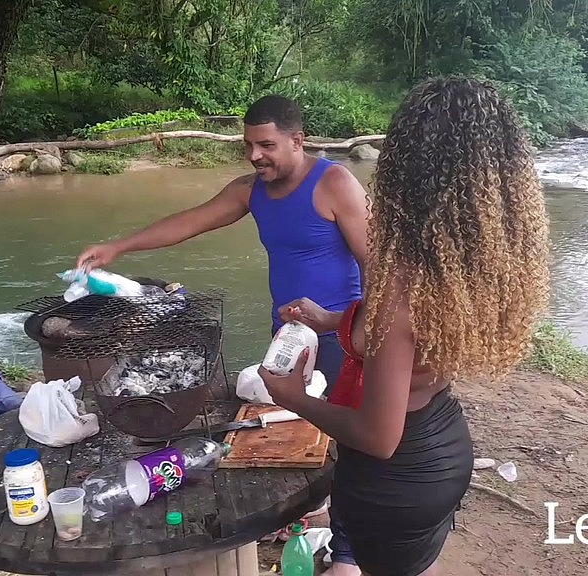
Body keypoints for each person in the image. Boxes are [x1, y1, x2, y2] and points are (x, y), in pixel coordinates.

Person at [256, 75, 551, 576]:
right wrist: (336, 320)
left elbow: (377, 436)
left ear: (407, 169)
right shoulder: (469, 261)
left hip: (395, 479)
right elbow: (416, 346)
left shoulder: (403, 281)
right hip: (443, 445)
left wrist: (291, 397)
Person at [75, 94, 368, 575]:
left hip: (342, 335)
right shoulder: (252, 191)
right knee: (294, 429)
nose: (255, 155)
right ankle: (314, 508)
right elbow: (190, 221)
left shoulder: (334, 183)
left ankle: (348, 555)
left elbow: (373, 264)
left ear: (298, 140)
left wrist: (361, 331)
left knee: (349, 438)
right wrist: (117, 247)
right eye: (249, 145)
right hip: (289, 335)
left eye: (267, 145)